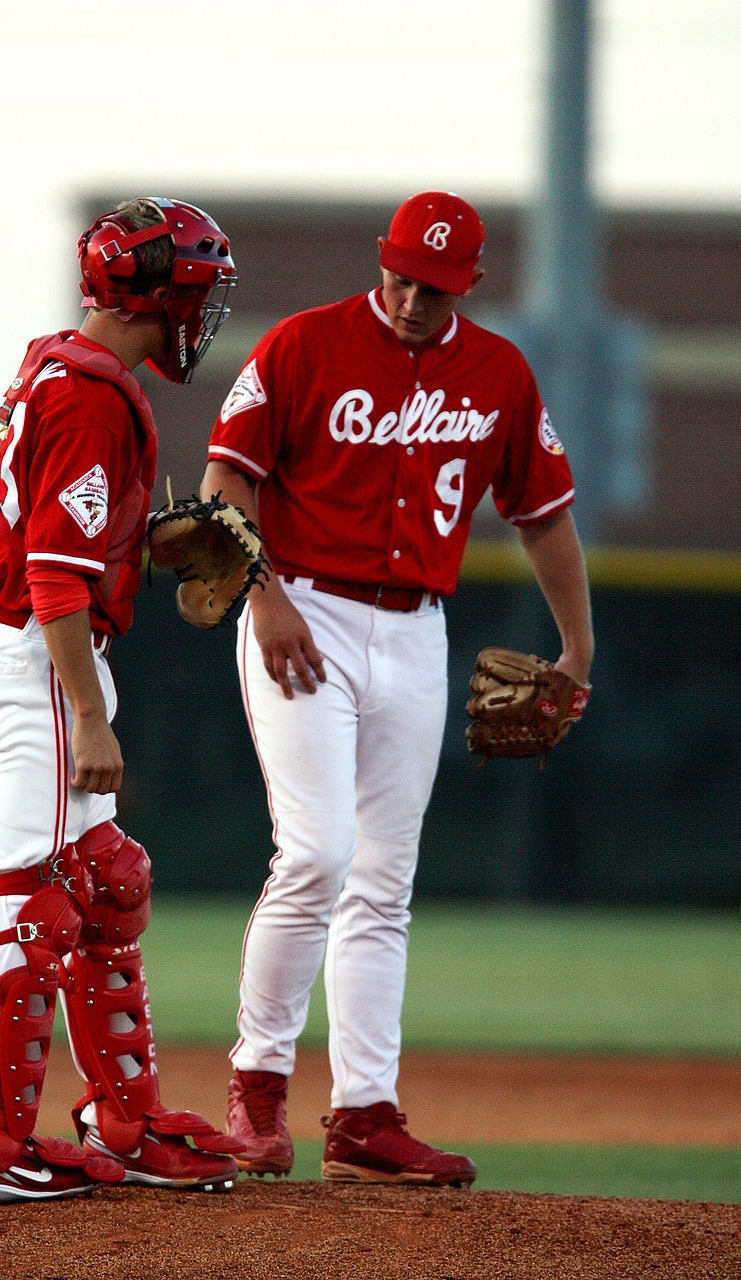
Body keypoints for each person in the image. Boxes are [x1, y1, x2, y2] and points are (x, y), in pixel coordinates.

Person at [200, 191, 594, 1186]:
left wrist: (576, 648)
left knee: (383, 878)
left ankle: (365, 1111)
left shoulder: (497, 372)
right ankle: (255, 1092)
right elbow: (226, 480)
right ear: (382, 260)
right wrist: (263, 594)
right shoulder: (301, 345)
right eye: (402, 276)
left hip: (417, 627)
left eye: (437, 285)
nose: (415, 299)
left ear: (469, 283)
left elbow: (542, 512)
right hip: (304, 617)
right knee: (318, 852)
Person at [0, 196, 245, 1203]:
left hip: (32, 645)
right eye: (198, 286)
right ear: (158, 292)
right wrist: (92, 709)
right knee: (35, 902)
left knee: (105, 882)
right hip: (43, 652)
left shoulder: (61, 366)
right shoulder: (87, 394)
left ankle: (122, 1117)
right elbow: (54, 571)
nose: (205, 308)